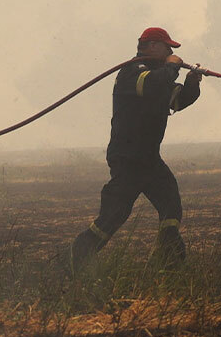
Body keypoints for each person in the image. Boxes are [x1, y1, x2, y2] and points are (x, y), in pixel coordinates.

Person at [70, 27, 203, 271]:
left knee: (170, 205)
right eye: (168, 48)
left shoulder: (157, 74)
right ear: (152, 46)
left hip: (149, 159)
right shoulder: (133, 72)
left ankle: (170, 260)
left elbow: (176, 100)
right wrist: (172, 67)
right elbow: (153, 85)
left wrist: (191, 84)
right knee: (113, 216)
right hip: (128, 159)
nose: (171, 52)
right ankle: (75, 259)